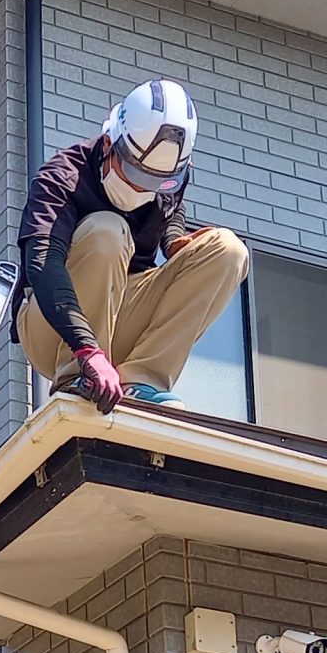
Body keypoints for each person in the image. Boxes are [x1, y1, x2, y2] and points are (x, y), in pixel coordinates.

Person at [18, 77, 248, 410]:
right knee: (108, 229)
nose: (143, 190)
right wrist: (86, 348)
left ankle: (141, 380)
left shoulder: (168, 180)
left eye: (156, 182)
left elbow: (172, 210)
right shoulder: (62, 177)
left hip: (122, 312)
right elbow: (43, 265)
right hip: (53, 327)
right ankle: (76, 375)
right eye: (136, 175)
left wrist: (173, 242)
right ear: (111, 145)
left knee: (228, 250)